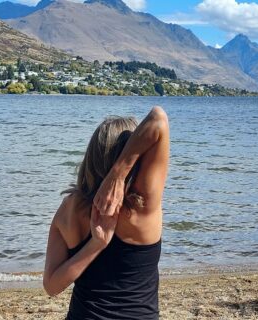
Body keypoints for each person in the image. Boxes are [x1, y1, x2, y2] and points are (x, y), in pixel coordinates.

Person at [42, 106, 170, 319]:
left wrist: (95, 245)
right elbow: (158, 119)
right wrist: (118, 176)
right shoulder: (142, 207)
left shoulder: (69, 208)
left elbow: (51, 286)